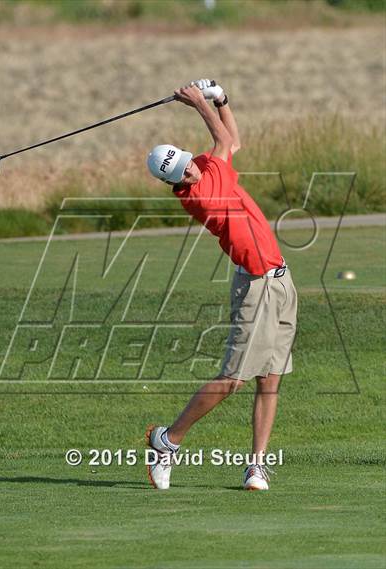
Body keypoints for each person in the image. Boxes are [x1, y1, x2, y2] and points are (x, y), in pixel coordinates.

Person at [145, 79, 297, 491]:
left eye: (187, 160)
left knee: (271, 377)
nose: (192, 166)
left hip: (280, 279)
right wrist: (199, 102)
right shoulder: (203, 194)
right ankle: (168, 441)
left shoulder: (206, 169)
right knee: (233, 379)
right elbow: (221, 137)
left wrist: (221, 98)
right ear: (177, 180)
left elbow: (232, 140)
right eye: (184, 170)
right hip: (254, 287)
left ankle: (256, 467)